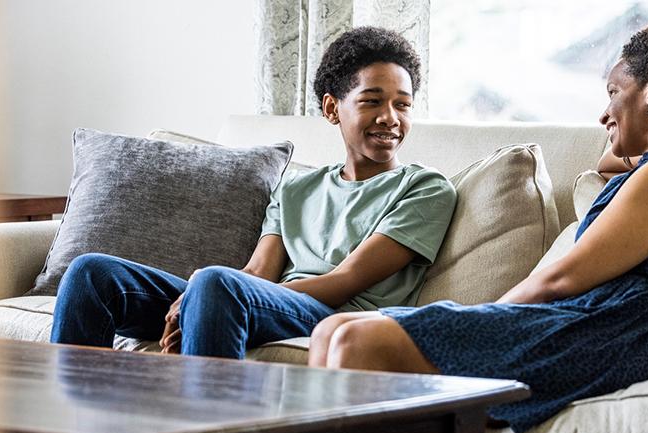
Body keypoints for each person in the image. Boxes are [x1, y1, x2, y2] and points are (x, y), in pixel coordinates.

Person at [307, 16, 648, 433]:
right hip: (608, 323)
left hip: (618, 329)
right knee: (329, 332)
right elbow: (619, 158)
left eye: (613, 91)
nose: (603, 114)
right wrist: (635, 131)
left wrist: (490, 316)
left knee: (357, 340)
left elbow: (561, 278)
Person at [49, 25, 457, 362]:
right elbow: (258, 272)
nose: (390, 118)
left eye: (403, 105)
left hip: (338, 315)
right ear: (333, 109)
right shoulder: (298, 187)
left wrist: (209, 291)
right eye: (372, 102)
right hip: (267, 302)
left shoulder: (423, 188)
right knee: (92, 273)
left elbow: (344, 281)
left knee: (216, 283)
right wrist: (195, 296)